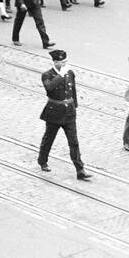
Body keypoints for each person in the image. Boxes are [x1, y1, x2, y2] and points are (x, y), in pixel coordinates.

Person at [36, 49, 93, 178]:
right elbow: (49, 87)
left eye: (66, 62)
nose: (65, 64)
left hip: (69, 113)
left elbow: (73, 91)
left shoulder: (70, 73)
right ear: (55, 62)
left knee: (74, 142)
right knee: (48, 139)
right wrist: (61, 74)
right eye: (62, 62)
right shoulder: (47, 75)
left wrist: (75, 106)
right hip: (54, 113)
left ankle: (80, 169)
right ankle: (42, 161)